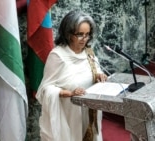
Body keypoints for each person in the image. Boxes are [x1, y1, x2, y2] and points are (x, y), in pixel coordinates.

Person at [35, 10, 108, 141]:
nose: (84, 39)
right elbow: (45, 90)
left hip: (90, 111)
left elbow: (95, 70)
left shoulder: (89, 52)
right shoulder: (57, 56)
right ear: (68, 34)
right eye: (80, 34)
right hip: (70, 114)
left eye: (87, 34)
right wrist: (69, 93)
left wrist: (99, 76)